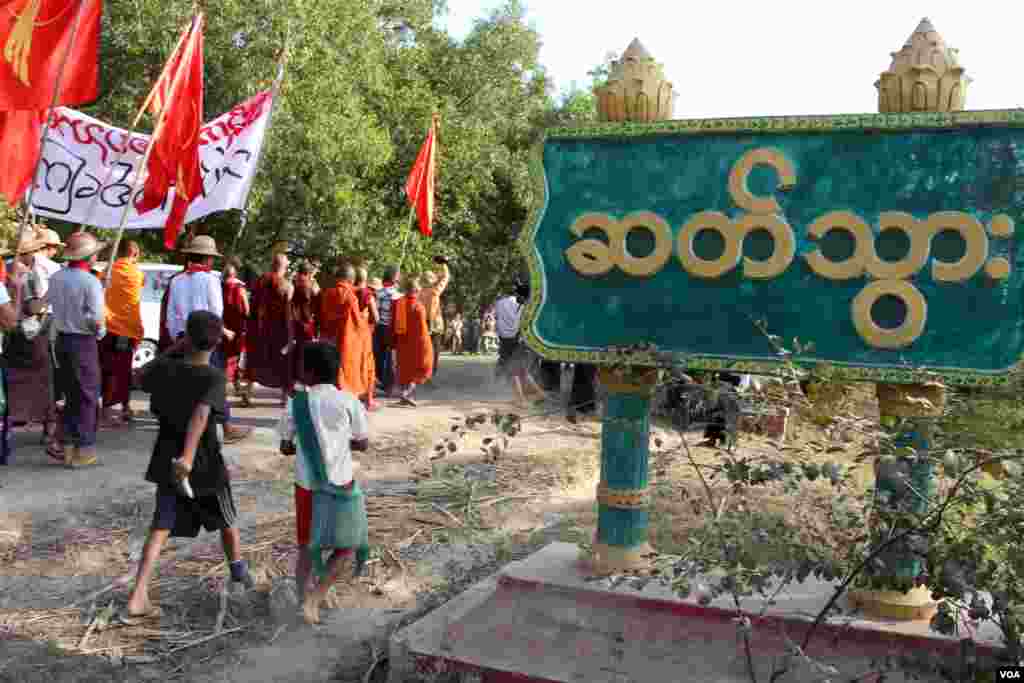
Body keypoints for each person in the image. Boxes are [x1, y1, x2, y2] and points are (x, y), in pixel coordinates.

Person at [123, 311, 255, 624]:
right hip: (203, 462)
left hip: (167, 459)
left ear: (185, 338)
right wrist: (189, 456)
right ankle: (239, 574)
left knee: (160, 526)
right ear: (217, 343)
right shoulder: (213, 377)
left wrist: (172, 348)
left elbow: (139, 378)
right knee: (226, 518)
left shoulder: (166, 368)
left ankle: (139, 593)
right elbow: (201, 415)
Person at [278, 342, 370, 624]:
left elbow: (285, 446)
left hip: (307, 486)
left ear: (306, 372)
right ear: (337, 370)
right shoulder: (349, 401)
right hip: (341, 485)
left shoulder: (296, 403)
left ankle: (301, 596)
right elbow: (362, 442)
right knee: (346, 546)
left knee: (307, 545)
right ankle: (316, 598)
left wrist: (301, 447)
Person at [166, 236, 252, 444]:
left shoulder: (177, 280)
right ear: (207, 259)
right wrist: (220, 333)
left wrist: (178, 337)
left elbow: (171, 315)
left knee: (190, 384)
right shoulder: (211, 280)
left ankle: (194, 427)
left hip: (184, 337)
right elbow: (216, 312)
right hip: (206, 339)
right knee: (214, 383)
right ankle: (226, 427)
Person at [47, 231, 107, 466]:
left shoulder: (57, 277)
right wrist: (99, 331)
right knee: (87, 396)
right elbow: (97, 320)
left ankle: (69, 447)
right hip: (82, 342)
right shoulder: (90, 281)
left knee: (71, 396)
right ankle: (84, 449)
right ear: (90, 256)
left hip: (62, 340)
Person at [100, 240, 144, 427]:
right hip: (126, 328)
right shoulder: (137, 274)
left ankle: (112, 407)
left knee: (106, 368)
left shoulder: (107, 272)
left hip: (107, 326)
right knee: (122, 371)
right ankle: (117, 408)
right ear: (134, 254)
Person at [246, 253, 294, 406]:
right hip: (278, 331)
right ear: (284, 266)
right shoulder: (286, 285)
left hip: (258, 329)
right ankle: (285, 398)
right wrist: (290, 334)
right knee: (283, 362)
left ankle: (248, 392)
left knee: (256, 360)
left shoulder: (260, 281)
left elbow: (251, 304)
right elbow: (288, 312)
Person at [494, 281, 545, 407]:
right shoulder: (525, 305)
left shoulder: (500, 303)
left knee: (514, 371)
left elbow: (498, 319)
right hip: (521, 339)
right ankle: (539, 394)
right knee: (521, 371)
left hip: (507, 341)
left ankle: (521, 400)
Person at [319, 262, 366, 398]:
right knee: (345, 375)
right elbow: (358, 323)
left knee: (329, 373)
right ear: (351, 280)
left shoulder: (327, 293)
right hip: (346, 342)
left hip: (328, 338)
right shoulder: (351, 297)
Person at [391, 274, 433, 407]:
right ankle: (406, 393)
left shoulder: (398, 303)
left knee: (405, 368)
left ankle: (405, 395)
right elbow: (422, 328)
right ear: (416, 290)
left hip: (402, 341)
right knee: (423, 367)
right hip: (417, 342)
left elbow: (393, 323)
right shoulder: (418, 306)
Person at [221, 257, 250, 400]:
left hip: (224, 328)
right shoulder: (239, 289)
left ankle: (231, 386)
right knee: (237, 358)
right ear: (235, 274)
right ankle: (237, 387)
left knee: (225, 357)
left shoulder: (220, 287)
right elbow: (246, 309)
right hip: (238, 328)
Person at [418, 256, 450, 382]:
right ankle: (429, 376)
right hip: (434, 325)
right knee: (434, 352)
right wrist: (444, 264)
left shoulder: (419, 292)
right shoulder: (434, 291)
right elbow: (445, 278)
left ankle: (422, 374)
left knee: (423, 351)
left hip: (422, 324)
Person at [291, 261, 319, 395]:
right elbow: (316, 298)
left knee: (296, 355)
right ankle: (304, 385)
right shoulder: (308, 285)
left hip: (295, 323)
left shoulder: (294, 282)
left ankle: (294, 385)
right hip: (306, 324)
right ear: (308, 273)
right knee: (306, 355)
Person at [354, 267, 379, 411]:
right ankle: (369, 400)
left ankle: (356, 395)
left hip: (351, 332)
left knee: (355, 364)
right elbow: (376, 317)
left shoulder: (349, 291)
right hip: (364, 332)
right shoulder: (367, 294)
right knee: (368, 366)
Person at [373, 265, 400, 397]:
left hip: (379, 328)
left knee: (378, 356)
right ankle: (388, 386)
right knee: (390, 358)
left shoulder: (378, 293)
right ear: (395, 278)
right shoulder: (398, 296)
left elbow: (375, 312)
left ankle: (378, 382)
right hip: (390, 329)